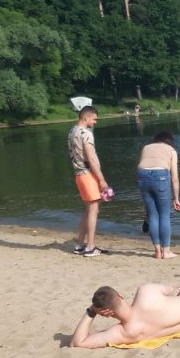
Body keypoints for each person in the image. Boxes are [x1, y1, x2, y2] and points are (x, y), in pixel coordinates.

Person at [70, 281, 180, 349]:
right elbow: (170, 289)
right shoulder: (145, 292)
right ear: (120, 296)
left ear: (105, 313)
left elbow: (78, 343)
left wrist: (91, 312)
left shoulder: (123, 333)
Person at [67, 106, 109, 257]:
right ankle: (90, 247)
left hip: (78, 174)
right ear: (86, 117)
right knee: (93, 210)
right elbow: (91, 158)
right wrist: (102, 179)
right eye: (94, 119)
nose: (95, 122)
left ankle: (79, 244)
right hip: (88, 174)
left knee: (88, 209)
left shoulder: (72, 131)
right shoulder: (86, 134)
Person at [136, 131, 180, 259]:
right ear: (170, 141)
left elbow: (143, 164)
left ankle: (157, 251)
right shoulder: (171, 151)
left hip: (142, 175)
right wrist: (176, 198)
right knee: (164, 215)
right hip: (160, 175)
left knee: (153, 215)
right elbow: (175, 178)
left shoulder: (146, 147)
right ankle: (166, 251)